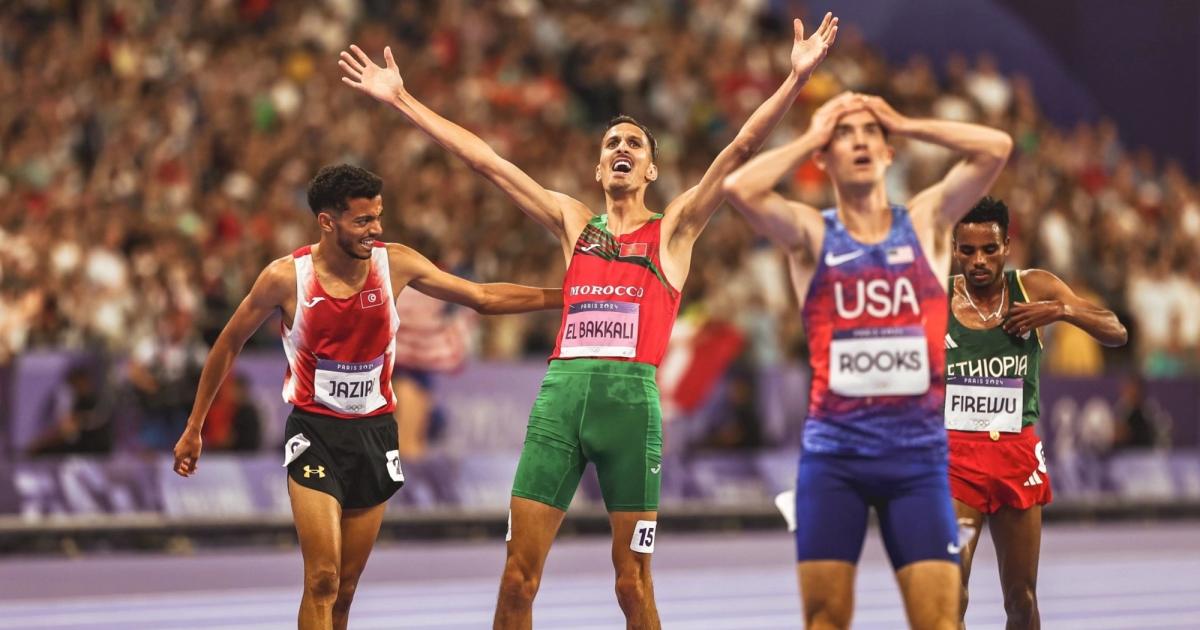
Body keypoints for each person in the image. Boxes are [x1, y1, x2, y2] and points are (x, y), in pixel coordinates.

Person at [339, 13, 838, 629]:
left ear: (651, 169)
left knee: (633, 583)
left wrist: (793, 81)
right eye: (611, 145)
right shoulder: (574, 223)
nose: (622, 149)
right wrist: (402, 98)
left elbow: (739, 150)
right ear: (600, 170)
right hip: (560, 402)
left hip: (632, 412)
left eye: (634, 145)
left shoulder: (675, 230)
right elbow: (487, 163)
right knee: (518, 578)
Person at [171, 164, 560, 630]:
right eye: (362, 221)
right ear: (327, 221)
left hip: (375, 435)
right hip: (315, 433)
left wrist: (571, 294)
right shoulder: (285, 277)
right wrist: (195, 426)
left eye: (378, 217)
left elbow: (482, 297)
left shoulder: (394, 263)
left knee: (347, 589)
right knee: (321, 578)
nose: (375, 230)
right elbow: (227, 343)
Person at [724, 93, 1013, 629]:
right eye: (844, 135)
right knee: (825, 620)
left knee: (940, 622)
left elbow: (996, 147)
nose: (858, 140)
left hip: (917, 461)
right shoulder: (812, 234)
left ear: (888, 152)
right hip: (835, 460)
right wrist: (812, 133)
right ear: (824, 160)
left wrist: (905, 121)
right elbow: (739, 188)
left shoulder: (925, 222)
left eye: (870, 133)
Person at [946, 196, 1127, 628]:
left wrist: (1062, 310)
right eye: (967, 250)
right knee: (947, 590)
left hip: (1016, 456)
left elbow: (1117, 331)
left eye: (989, 249)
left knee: (1021, 600)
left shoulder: (1035, 286)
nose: (978, 261)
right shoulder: (936, 297)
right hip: (955, 461)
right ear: (955, 250)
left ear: (1007, 246)